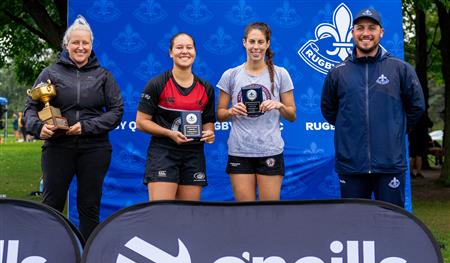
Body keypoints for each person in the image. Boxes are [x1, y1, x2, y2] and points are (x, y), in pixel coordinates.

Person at [24, 16, 124, 240]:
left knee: (89, 206)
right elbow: (30, 108)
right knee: (52, 204)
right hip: (58, 147)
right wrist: (39, 128)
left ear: (91, 45)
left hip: (95, 148)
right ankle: (47, 254)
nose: (80, 47)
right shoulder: (50, 73)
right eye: (75, 42)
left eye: (85, 43)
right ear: (66, 45)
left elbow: (117, 111)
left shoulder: (104, 76)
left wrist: (87, 126)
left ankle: (87, 261)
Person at [320, 7, 425, 208]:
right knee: (354, 225)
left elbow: (416, 107)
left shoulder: (400, 68)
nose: (365, 33)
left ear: (381, 32)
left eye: (371, 28)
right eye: (360, 28)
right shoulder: (338, 73)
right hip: (352, 166)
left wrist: (395, 129)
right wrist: (351, 129)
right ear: (352, 33)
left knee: (392, 224)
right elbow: (329, 110)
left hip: (390, 164)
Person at [216, 22, 296, 201]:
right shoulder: (230, 75)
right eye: (252, 41)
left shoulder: (281, 74)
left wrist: (280, 105)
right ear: (244, 43)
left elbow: (292, 115)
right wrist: (231, 111)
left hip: (270, 150)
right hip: (239, 151)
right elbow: (219, 114)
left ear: (267, 44)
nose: (256, 47)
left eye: (261, 42)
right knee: (245, 213)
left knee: (269, 211)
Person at [136, 32, 215, 201]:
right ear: (171, 52)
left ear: (195, 51)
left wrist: (209, 133)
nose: (184, 51)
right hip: (163, 152)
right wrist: (169, 133)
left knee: (188, 216)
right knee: (161, 214)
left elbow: (208, 122)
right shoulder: (156, 84)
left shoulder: (206, 88)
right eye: (179, 47)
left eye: (189, 47)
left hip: (194, 154)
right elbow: (141, 123)